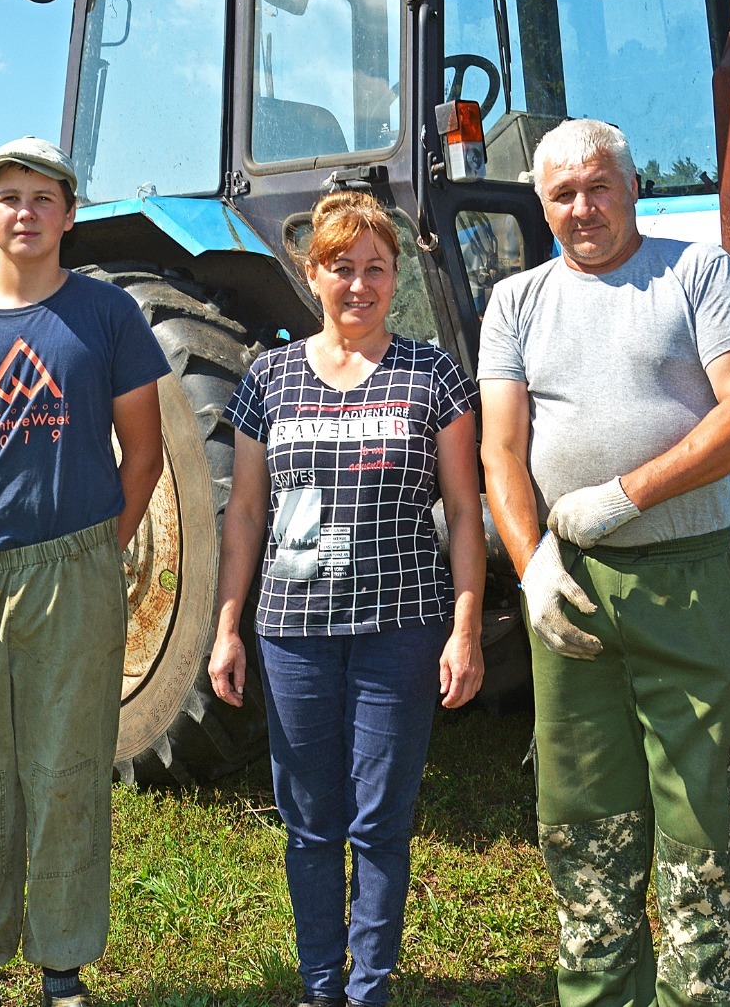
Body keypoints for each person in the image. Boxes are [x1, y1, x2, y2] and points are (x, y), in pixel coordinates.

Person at [478, 118, 730, 1007]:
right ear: (541, 205)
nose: (582, 206)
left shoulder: (697, 273)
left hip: (682, 579)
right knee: (583, 824)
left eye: (598, 185)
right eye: (562, 194)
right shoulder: (516, 301)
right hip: (569, 592)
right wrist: (532, 567)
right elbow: (502, 452)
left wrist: (624, 494)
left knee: (696, 829)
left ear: (632, 185)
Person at [0, 136, 169, 1007]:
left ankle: (63, 967)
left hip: (77, 570)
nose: (25, 212)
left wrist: (93, 545)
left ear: (69, 213)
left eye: (42, 198)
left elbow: (147, 450)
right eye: (8, 197)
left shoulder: (107, 316)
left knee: (68, 769)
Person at [207, 190, 485, 1007]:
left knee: (381, 823)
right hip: (293, 630)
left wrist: (465, 626)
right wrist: (228, 628)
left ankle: (369, 987)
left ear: (396, 275)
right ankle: (320, 985)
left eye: (375, 268)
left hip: (401, 627)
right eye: (341, 267)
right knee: (309, 822)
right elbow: (247, 514)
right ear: (311, 272)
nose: (359, 285)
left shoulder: (431, 373)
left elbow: (466, 509)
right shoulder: (269, 377)